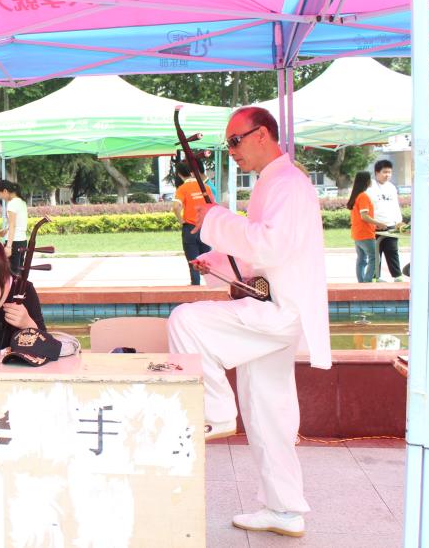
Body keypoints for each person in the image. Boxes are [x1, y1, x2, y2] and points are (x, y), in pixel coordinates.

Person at [167, 107, 330, 539]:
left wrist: (215, 219)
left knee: (186, 321)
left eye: (235, 141)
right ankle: (284, 509)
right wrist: (217, 260)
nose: (232, 150)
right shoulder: (273, 183)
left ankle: (216, 411)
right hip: (271, 304)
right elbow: (258, 253)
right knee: (268, 411)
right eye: (228, 143)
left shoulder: (287, 184)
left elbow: (269, 246)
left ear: (262, 134)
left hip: (279, 310)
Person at [172, 162, 214, 286]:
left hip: (190, 228)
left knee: (193, 262)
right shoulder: (205, 187)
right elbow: (212, 206)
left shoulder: (182, 189)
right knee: (206, 261)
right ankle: (211, 286)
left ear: (180, 174)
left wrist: (181, 220)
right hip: (204, 228)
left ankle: (195, 287)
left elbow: (176, 206)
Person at [367, 159, 405, 282]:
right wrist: (374, 222)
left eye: (389, 172)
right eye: (384, 172)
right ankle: (375, 276)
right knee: (375, 253)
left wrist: (399, 221)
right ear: (376, 172)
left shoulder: (391, 187)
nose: (387, 175)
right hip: (375, 226)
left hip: (391, 226)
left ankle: (397, 276)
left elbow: (395, 206)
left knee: (392, 250)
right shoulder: (369, 187)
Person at [347, 172, 384, 283]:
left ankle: (361, 282)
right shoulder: (363, 196)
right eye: (370, 178)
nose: (371, 181)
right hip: (365, 233)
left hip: (357, 233)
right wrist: (379, 223)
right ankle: (367, 282)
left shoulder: (356, 196)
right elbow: (364, 216)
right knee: (374, 258)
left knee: (361, 259)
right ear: (366, 181)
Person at [0, 180, 28, 276]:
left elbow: (13, 225)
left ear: (5, 191)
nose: (0, 197)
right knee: (18, 273)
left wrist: (9, 246)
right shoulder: (21, 202)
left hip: (14, 243)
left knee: (10, 274)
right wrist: (6, 230)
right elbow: (17, 223)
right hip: (22, 241)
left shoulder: (12, 204)